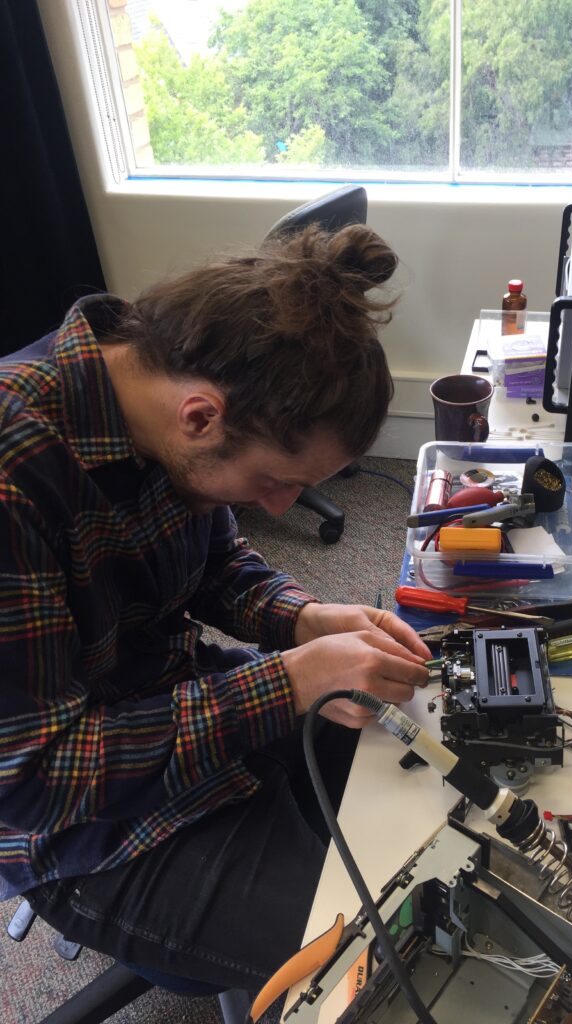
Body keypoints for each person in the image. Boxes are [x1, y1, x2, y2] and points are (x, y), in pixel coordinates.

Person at [0, 223, 431, 995]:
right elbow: (32, 779)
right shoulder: (13, 470)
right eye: (275, 482)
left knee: (419, 777)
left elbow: (214, 562)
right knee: (389, 960)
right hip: (73, 830)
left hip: (169, 697)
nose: (283, 504)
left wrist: (301, 620)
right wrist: (290, 682)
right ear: (201, 418)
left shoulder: (152, 396)